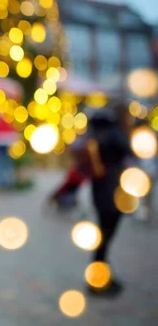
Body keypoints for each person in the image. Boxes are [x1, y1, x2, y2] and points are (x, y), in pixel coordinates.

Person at [85, 106, 132, 298]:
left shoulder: (92, 136)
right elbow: (129, 149)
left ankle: (99, 276)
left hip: (99, 191)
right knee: (105, 237)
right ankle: (97, 280)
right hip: (113, 191)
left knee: (103, 237)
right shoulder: (114, 134)